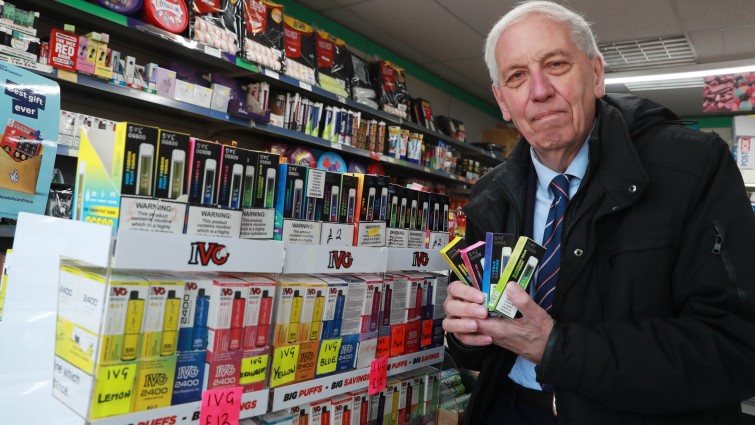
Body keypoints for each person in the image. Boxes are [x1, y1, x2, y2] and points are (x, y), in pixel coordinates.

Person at [442, 1, 755, 424]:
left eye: (555, 64)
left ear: (596, 74)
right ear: (502, 100)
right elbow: (482, 343)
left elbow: (736, 347)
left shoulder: (693, 167)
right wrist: (466, 335)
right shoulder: (488, 197)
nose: (538, 90)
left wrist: (555, 347)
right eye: (516, 76)